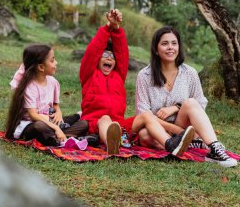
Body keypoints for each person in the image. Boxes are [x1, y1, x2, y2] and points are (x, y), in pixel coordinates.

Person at [80, 10, 195, 156]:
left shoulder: (118, 76)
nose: (109, 58)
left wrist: (117, 29)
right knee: (105, 119)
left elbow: (122, 52)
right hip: (94, 124)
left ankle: (170, 144)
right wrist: (108, 26)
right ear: (97, 60)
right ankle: (112, 146)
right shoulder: (89, 74)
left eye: (112, 56)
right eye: (105, 55)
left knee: (146, 116)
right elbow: (92, 51)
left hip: (119, 127)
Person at [135, 26, 238, 168]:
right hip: (158, 129)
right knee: (144, 136)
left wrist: (176, 108)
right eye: (165, 44)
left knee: (191, 102)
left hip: (182, 124)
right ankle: (188, 143)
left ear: (179, 47)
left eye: (174, 43)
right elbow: (142, 113)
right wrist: (177, 132)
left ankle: (214, 149)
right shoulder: (144, 76)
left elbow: (200, 104)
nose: (170, 47)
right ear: (156, 49)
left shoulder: (190, 73)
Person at [5, 44, 88, 146]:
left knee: (84, 123)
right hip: (31, 124)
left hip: (50, 121)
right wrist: (56, 128)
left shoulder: (53, 82)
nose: (56, 63)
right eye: (52, 60)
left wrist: (59, 113)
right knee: (40, 127)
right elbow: (33, 115)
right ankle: (63, 138)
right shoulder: (29, 87)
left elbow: (55, 105)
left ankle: (61, 137)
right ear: (41, 67)